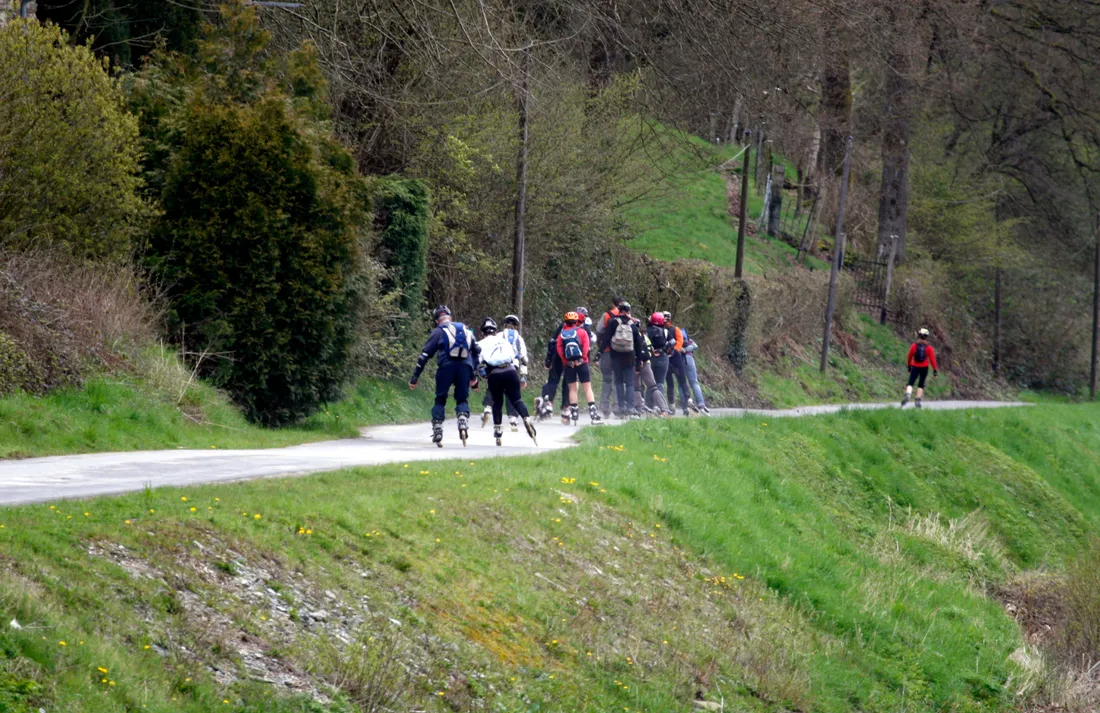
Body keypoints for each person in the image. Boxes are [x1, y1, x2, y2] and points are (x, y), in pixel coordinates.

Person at [409, 306, 479, 447]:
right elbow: (476, 351)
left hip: (446, 367)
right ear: (450, 317)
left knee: (440, 398)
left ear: (436, 321)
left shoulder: (439, 331)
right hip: (465, 367)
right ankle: (463, 419)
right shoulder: (465, 329)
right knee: (462, 399)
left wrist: (415, 377)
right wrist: (474, 376)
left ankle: (438, 429)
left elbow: (424, 356)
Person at [476, 318, 537, 446]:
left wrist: (481, 375)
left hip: (495, 374)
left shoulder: (480, 344)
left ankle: (498, 431)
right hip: (510, 371)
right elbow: (520, 358)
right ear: (495, 331)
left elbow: (478, 363)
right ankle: (526, 419)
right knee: (517, 400)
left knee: (497, 402)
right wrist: (523, 375)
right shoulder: (504, 341)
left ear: (483, 333)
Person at [481, 313, 529, 431]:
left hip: (496, 366)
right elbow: (524, 357)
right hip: (512, 367)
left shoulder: (498, 335)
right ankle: (513, 417)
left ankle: (488, 407)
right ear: (516, 326)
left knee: (493, 389)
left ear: (504, 325)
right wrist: (524, 375)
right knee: (511, 393)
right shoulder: (519, 339)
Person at [598, 301, 645, 418]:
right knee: (629, 382)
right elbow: (638, 344)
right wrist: (639, 361)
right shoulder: (632, 324)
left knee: (618, 381)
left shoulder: (613, 322)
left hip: (615, 356)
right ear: (629, 311)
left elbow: (607, 339)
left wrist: (599, 353)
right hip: (629, 357)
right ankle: (631, 407)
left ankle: (621, 406)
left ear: (619, 310)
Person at [556, 311, 603, 425]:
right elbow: (586, 347)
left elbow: (559, 350)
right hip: (582, 363)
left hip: (569, 365)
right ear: (576, 321)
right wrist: (582, 358)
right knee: (587, 388)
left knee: (572, 389)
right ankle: (593, 413)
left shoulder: (561, 335)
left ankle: (574, 413)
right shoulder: (582, 332)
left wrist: (566, 361)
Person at [595, 297, 624, 418]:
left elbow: (598, 330)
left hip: (607, 351)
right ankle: (618, 406)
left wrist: (600, 346)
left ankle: (605, 407)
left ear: (613, 304)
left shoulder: (606, 315)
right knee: (618, 380)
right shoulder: (626, 316)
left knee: (607, 379)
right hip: (621, 352)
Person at [663, 311, 694, 416]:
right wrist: (675, 351)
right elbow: (680, 342)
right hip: (676, 358)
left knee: (670, 383)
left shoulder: (660, 330)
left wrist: (668, 353)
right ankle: (687, 401)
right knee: (682, 381)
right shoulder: (675, 329)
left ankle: (672, 405)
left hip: (666, 359)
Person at [902, 327, 938, 408]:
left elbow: (909, 356)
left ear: (918, 335)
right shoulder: (929, 348)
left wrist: (909, 366)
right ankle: (917, 400)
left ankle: (908, 394)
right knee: (921, 384)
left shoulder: (914, 346)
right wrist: (935, 370)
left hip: (915, 366)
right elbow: (932, 360)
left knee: (910, 382)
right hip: (924, 368)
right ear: (926, 337)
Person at [644, 313, 672, 415]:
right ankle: (661, 407)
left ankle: (648, 406)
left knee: (650, 383)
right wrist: (665, 349)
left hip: (650, 358)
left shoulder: (647, 331)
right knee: (660, 382)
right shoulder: (665, 331)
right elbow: (672, 342)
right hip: (663, 358)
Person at [680, 326, 710, 414]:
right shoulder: (689, 340)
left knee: (681, 384)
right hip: (689, 359)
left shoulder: (676, 340)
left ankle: (685, 407)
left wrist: (682, 350)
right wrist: (686, 349)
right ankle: (701, 404)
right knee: (694, 382)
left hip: (679, 360)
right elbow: (695, 346)